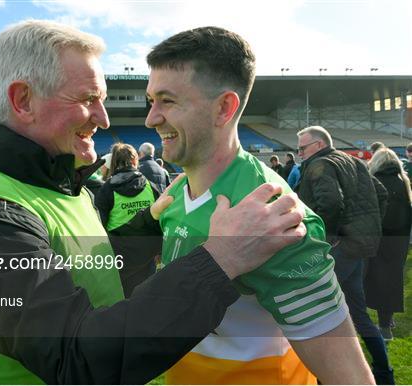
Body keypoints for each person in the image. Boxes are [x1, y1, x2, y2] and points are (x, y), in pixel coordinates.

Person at [0, 20, 307, 385]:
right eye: (88, 98)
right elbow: (75, 359)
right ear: (23, 100)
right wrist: (222, 259)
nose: (104, 117)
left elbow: (84, 269)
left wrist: (149, 224)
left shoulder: (53, 183)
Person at [145, 26, 373, 385]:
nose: (151, 118)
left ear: (224, 107)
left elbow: (350, 378)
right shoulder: (174, 198)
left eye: (167, 101)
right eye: (151, 100)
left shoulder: (276, 218)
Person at [296, 125, 394, 384]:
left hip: (340, 250)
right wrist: (366, 230)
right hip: (358, 249)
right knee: (357, 314)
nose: (299, 153)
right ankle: (384, 374)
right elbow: (381, 194)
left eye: (302, 148)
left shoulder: (321, 165)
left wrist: (330, 239)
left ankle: (327, 377)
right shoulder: (352, 161)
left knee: (321, 317)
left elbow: (329, 204)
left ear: (317, 145)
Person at [95, 143, 161, 297]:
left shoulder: (106, 189)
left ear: (114, 162)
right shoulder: (151, 186)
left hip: (119, 259)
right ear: (134, 161)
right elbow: (161, 221)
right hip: (147, 257)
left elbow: (99, 226)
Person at [365, 148, 412, 341]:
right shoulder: (403, 182)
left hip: (379, 237)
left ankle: (383, 327)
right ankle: (386, 322)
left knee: (374, 280)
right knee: (392, 279)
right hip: (400, 239)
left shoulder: (374, 182)